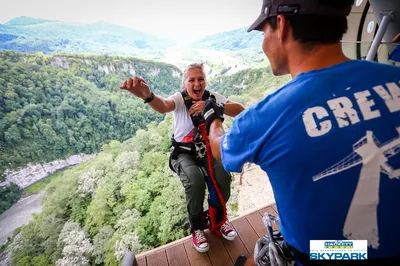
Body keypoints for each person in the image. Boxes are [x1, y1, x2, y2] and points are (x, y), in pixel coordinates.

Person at [202, 0, 400, 265]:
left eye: (264, 33)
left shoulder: (266, 116)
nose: (263, 43)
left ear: (281, 25)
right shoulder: (394, 78)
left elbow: (218, 148)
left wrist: (213, 116)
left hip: (329, 254)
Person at [120, 63, 245, 253]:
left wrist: (213, 107)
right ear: (184, 83)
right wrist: (148, 96)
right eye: (191, 80)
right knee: (195, 182)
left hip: (208, 150)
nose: (197, 83)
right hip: (184, 153)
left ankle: (218, 220)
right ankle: (196, 227)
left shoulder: (212, 97)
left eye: (200, 79)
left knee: (223, 178)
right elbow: (163, 106)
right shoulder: (180, 98)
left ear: (205, 81)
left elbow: (239, 110)